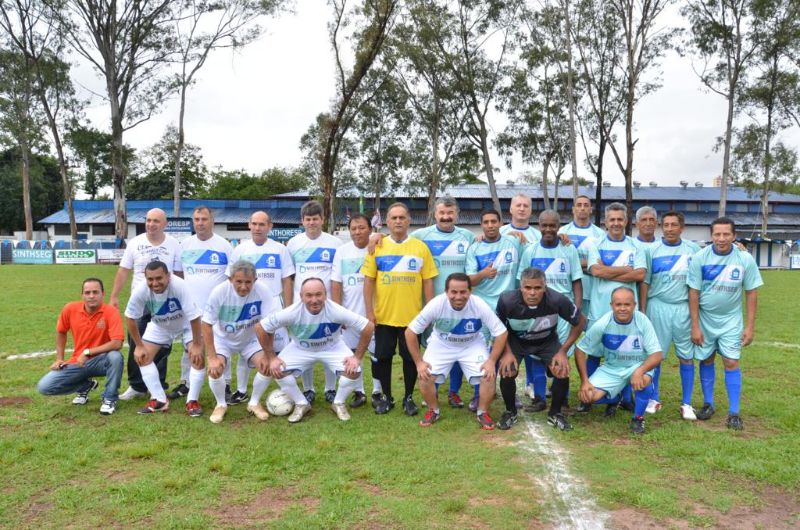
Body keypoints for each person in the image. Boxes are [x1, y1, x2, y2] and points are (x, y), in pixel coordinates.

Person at [258, 278, 375, 423]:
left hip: (332, 348)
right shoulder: (292, 312)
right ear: (301, 296)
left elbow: (368, 326)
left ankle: (338, 402)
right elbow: (260, 327)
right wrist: (271, 357)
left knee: (354, 370)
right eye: (309, 295)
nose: (314, 300)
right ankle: (301, 403)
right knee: (278, 369)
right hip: (301, 349)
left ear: (326, 295)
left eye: (318, 294)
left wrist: (357, 357)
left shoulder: (335, 310)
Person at [405, 273, 509, 429]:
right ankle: (434, 410)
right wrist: (419, 362)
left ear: (470, 291)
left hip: (472, 344)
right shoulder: (436, 304)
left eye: (463, 292)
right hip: (442, 344)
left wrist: (491, 361)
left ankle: (482, 412)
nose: (458, 296)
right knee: (425, 375)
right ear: (446, 291)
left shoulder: (479, 304)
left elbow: (501, 332)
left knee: (488, 375)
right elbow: (410, 332)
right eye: (454, 292)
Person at [362, 202, 437, 415]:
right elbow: (368, 282)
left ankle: (408, 398)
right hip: (384, 316)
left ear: (409, 221)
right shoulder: (377, 246)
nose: (398, 221)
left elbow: (428, 282)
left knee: (410, 358)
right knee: (383, 358)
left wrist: (428, 311)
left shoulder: (420, 247)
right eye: (393, 218)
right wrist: (369, 312)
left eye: (402, 217)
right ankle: (387, 397)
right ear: (387, 221)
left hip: (411, 319)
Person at [688, 217, 762, 430]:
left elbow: (751, 292)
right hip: (705, 320)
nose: (721, 239)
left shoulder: (744, 259)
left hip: (731, 321)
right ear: (711, 236)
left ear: (734, 235)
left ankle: (734, 412)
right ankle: (708, 403)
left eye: (726, 234)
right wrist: (695, 326)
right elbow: (693, 292)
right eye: (717, 234)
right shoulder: (700, 258)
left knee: (731, 362)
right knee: (707, 359)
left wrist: (750, 326)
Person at [496, 267, 586, 431]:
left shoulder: (557, 299)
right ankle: (510, 412)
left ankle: (555, 413)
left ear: (544, 288)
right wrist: (507, 352)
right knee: (507, 369)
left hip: (547, 341)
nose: (532, 293)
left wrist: (562, 351)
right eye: (527, 288)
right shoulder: (507, 300)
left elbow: (581, 321)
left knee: (562, 369)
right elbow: (498, 327)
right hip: (516, 341)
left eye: (537, 288)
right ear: (521, 287)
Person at [579, 202, 646, 416]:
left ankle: (622, 398)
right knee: (594, 352)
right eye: (612, 220)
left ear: (626, 222)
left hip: (626, 311)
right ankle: (588, 395)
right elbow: (596, 272)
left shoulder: (636, 246)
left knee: (626, 353)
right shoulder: (596, 244)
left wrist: (607, 270)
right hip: (600, 308)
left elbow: (640, 275)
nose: (616, 223)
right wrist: (626, 269)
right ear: (606, 222)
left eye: (620, 219)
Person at [110, 208, 183, 401]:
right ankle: (136, 386)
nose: (151, 224)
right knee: (137, 342)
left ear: (165, 224)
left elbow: (178, 274)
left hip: (165, 302)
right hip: (141, 302)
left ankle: (158, 383)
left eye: (156, 221)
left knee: (162, 343)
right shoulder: (135, 242)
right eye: (149, 220)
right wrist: (114, 296)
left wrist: (179, 300)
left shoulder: (174, 244)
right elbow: (123, 271)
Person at [517, 210, 583, 411]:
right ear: (539, 226)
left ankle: (561, 398)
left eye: (552, 225)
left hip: (562, 311)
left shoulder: (569, 249)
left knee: (562, 354)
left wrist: (576, 309)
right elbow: (521, 282)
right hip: (537, 311)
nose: (548, 229)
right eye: (544, 225)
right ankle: (539, 398)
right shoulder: (531, 251)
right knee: (536, 354)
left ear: (559, 227)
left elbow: (576, 280)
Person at [225, 211, 293, 405]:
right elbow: (231, 280)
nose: (257, 228)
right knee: (245, 346)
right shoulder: (239, 250)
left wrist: (287, 310)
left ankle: (285, 389)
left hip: (273, 305)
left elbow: (287, 280)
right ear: (249, 225)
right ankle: (241, 390)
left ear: (270, 226)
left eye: (262, 224)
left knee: (279, 349)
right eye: (254, 224)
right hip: (247, 306)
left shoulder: (280, 249)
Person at [574, 287, 663, 435]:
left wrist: (640, 371)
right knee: (587, 397)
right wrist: (585, 381)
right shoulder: (604, 323)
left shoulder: (642, 321)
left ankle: (638, 418)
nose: (623, 308)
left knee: (643, 381)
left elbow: (657, 354)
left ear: (634, 305)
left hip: (638, 366)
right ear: (611, 305)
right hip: (612, 368)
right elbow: (580, 349)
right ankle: (616, 398)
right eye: (618, 304)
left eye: (627, 304)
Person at [202, 260, 281, 423]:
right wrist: (212, 357)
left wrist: (268, 355)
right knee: (216, 369)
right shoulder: (220, 291)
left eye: (248, 282)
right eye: (239, 281)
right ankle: (221, 404)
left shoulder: (263, 291)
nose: (243, 286)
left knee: (266, 366)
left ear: (255, 280)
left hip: (250, 339)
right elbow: (206, 324)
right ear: (230, 279)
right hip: (223, 339)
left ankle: (254, 403)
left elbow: (269, 325)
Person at [171, 205, 233, 409]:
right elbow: (179, 275)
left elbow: (230, 278)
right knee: (190, 346)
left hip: (218, 308)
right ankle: (185, 383)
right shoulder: (185, 245)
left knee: (223, 344)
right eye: (196, 219)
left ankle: (225, 384)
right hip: (192, 309)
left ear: (212, 221)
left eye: (204, 219)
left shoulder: (224, 245)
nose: (200, 223)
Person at [640, 210, 700, 417]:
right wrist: (643, 310)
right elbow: (645, 282)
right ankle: (654, 398)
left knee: (687, 356)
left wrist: (740, 247)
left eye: (674, 225)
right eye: (666, 225)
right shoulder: (652, 250)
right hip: (658, 306)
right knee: (656, 355)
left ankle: (687, 403)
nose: (670, 229)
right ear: (661, 227)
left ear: (681, 228)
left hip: (683, 307)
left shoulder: (693, 249)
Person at [36, 278, 124, 415]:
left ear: (103, 294)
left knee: (115, 356)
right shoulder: (70, 308)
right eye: (87, 292)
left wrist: (88, 352)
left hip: (102, 361)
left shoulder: (111, 312)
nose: (91, 296)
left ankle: (109, 398)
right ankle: (86, 386)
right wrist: (60, 358)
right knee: (44, 387)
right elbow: (61, 331)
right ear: (82, 295)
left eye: (95, 292)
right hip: (78, 362)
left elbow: (117, 343)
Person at [123, 261, 202, 414]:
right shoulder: (141, 290)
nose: (155, 283)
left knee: (196, 356)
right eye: (150, 279)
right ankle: (159, 400)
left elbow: (194, 317)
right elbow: (129, 317)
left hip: (186, 325)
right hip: (160, 325)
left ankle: (192, 401)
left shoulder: (179, 285)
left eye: (159, 278)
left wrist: (197, 345)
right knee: (142, 357)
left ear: (168, 275)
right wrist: (139, 346)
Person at [287, 201, 343, 404]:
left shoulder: (335, 244)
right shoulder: (293, 243)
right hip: (302, 305)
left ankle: (330, 389)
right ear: (302, 221)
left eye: (315, 219)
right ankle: (308, 388)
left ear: (322, 219)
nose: (312, 223)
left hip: (326, 305)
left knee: (330, 344)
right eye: (308, 219)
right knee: (304, 345)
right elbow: (291, 275)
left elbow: (337, 276)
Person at [331, 213, 381, 408]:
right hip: (350, 316)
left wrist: (380, 236)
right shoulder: (342, 252)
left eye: (361, 227)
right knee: (352, 355)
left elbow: (386, 237)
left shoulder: (378, 247)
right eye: (353, 228)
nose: (357, 232)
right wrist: (338, 312)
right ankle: (359, 392)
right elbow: (336, 283)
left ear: (370, 229)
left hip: (375, 315)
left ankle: (377, 392)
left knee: (377, 356)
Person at [557, 195, 605, 328]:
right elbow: (562, 263)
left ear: (590, 209)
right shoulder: (562, 232)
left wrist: (576, 265)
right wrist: (589, 265)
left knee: (592, 331)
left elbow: (601, 265)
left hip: (593, 290)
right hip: (569, 291)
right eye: (579, 205)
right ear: (573, 209)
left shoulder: (599, 234)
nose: (582, 208)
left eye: (586, 205)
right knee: (567, 332)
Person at [633, 206, 659, 308]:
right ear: (637, 224)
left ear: (656, 223)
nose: (648, 224)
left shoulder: (662, 246)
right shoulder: (630, 245)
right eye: (644, 220)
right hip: (634, 298)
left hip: (656, 301)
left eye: (651, 220)